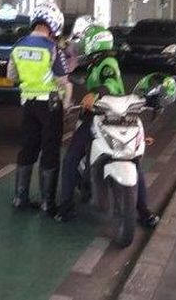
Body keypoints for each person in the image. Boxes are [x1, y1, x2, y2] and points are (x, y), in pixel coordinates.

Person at [56, 25, 160, 228]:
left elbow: (110, 84)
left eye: (87, 40)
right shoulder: (96, 62)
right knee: (134, 161)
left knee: (70, 158)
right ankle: (144, 211)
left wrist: (95, 94)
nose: (83, 44)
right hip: (119, 116)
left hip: (101, 116)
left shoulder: (107, 63)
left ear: (94, 42)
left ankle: (65, 207)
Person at [7, 1, 69, 216]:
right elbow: (62, 80)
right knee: (50, 150)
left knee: (27, 148)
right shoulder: (53, 48)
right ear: (52, 24)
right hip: (50, 105)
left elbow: (11, 76)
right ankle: (47, 203)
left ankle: (19, 198)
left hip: (28, 104)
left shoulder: (19, 45)